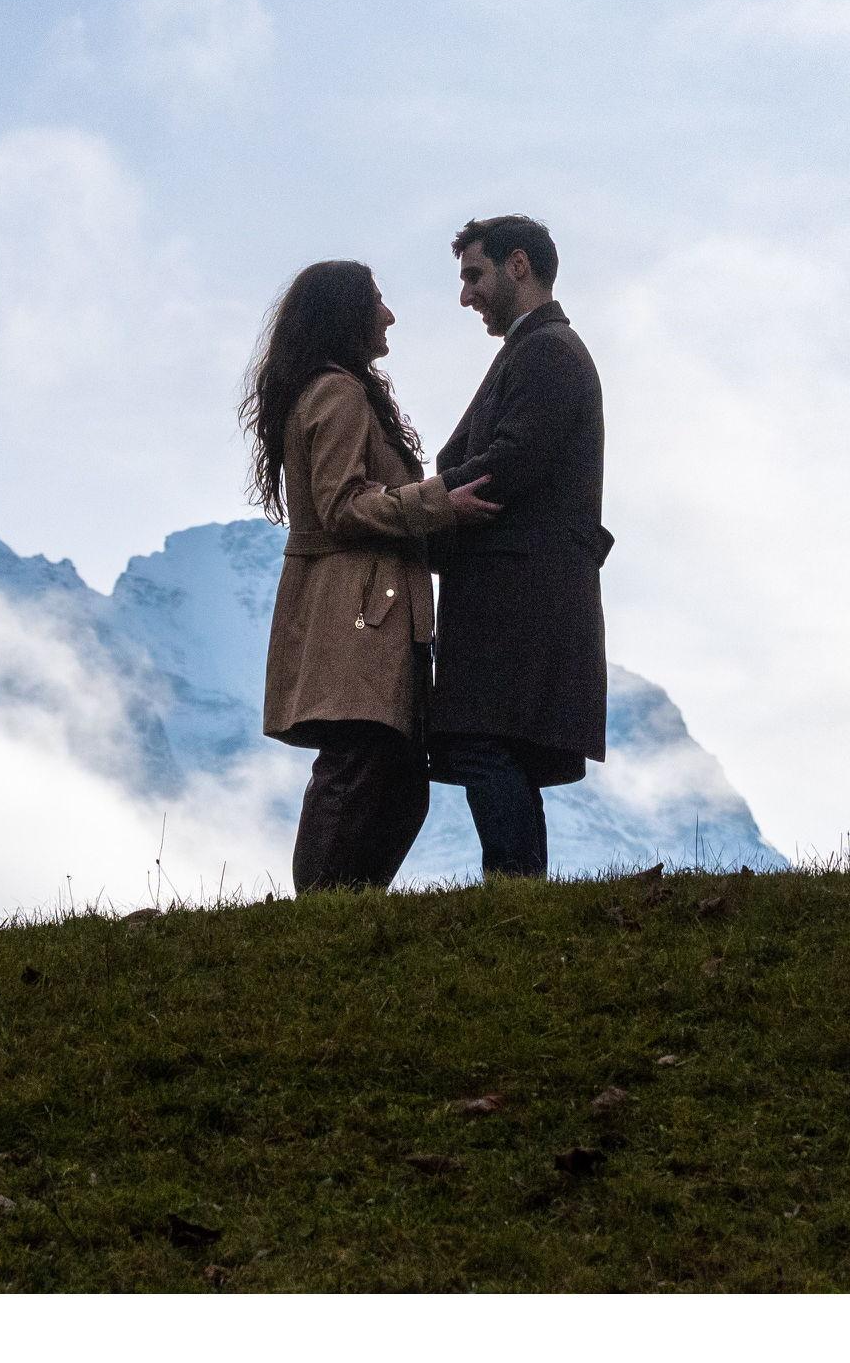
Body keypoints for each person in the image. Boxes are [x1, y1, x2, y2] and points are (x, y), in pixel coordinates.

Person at [243, 259, 495, 894]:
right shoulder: (337, 393)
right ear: (346, 315)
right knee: (358, 764)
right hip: (357, 613)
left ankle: (344, 910)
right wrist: (443, 502)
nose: (388, 316)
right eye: (377, 303)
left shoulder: (330, 390)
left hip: (372, 611)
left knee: (396, 782)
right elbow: (342, 504)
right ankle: (324, 914)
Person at [428, 214, 609, 879]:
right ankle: (516, 892)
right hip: (514, 596)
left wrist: (410, 509)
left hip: (516, 600)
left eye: (474, 275)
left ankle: (513, 890)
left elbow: (507, 463)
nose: (466, 296)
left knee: (484, 742)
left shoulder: (547, 351)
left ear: (519, 266)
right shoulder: (536, 351)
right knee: (496, 748)